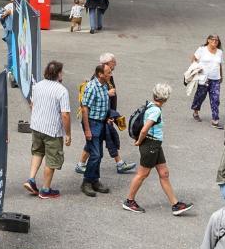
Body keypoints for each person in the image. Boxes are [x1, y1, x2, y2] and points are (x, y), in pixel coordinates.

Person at [122, 83, 192, 215]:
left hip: (155, 145)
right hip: (151, 145)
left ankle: (175, 205)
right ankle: (129, 201)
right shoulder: (156, 110)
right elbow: (144, 130)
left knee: (164, 173)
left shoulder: (150, 105)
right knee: (142, 174)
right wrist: (139, 141)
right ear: (165, 98)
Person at [23, 59, 74, 198]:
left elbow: (32, 105)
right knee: (52, 159)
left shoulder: (37, 86)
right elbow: (65, 115)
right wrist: (68, 134)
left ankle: (31, 180)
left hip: (37, 126)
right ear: (58, 74)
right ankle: (45, 189)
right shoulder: (61, 91)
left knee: (37, 152)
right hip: (52, 130)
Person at [76, 60, 115, 197]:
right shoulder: (92, 87)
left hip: (101, 122)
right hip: (92, 123)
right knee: (96, 154)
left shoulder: (104, 85)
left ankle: (95, 181)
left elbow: (102, 104)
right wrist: (87, 130)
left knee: (99, 154)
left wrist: (107, 117)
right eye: (108, 72)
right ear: (100, 74)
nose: (111, 74)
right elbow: (85, 108)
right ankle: (86, 182)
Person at [188, 35, 224, 128]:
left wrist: (221, 76)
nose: (215, 41)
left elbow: (219, 65)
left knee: (215, 99)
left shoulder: (220, 52)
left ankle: (215, 120)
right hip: (203, 78)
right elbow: (194, 58)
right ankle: (195, 112)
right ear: (208, 40)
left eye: (217, 40)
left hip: (215, 79)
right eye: (213, 39)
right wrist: (195, 67)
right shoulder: (202, 49)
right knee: (200, 96)